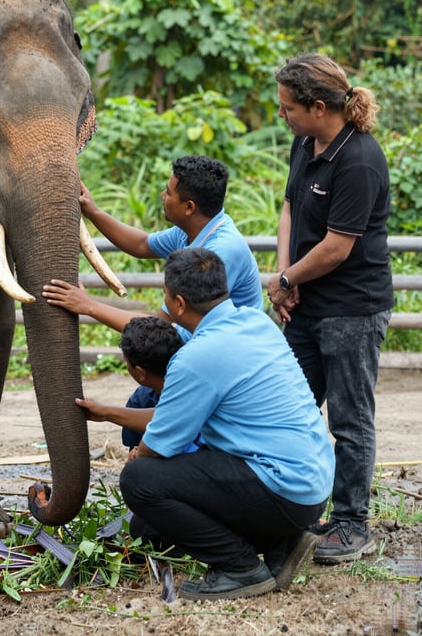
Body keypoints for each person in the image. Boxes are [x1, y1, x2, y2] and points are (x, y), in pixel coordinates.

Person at [115, 247, 335, 600]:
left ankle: (240, 567)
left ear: (179, 304)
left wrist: (137, 454)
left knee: (139, 481)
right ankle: (283, 544)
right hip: (314, 486)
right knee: (148, 528)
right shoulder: (256, 322)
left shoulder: (196, 357)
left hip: (282, 489)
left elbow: (156, 448)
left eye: (165, 296)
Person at [266, 53, 393, 565]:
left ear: (319, 107)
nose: (282, 116)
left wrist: (287, 280)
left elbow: (338, 247)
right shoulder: (305, 143)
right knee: (291, 408)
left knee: (349, 418)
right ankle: (297, 508)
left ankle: (352, 523)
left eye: (288, 108)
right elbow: (290, 207)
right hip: (306, 304)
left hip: (351, 309)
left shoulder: (359, 159)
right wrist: (286, 275)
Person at [43, 155, 262, 447]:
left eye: (169, 192)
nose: (162, 195)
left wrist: (88, 305)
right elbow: (142, 244)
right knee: (137, 413)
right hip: (191, 348)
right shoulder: (194, 231)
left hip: (222, 364)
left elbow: (161, 329)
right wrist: (93, 212)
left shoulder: (216, 254)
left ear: (189, 207)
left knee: (161, 424)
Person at [76, 316, 200, 454]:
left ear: (140, 372)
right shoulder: (141, 399)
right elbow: (136, 450)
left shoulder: (197, 393)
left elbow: (171, 418)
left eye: (126, 362)